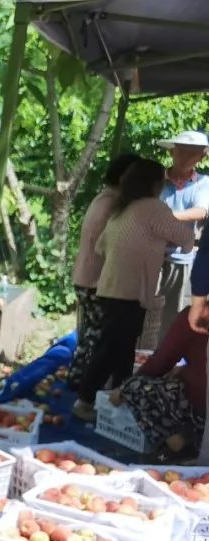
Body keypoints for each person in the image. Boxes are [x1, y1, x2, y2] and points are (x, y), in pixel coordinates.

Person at [73, 158, 195, 421]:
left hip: (110, 288)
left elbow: (101, 246)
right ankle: (84, 400)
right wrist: (164, 247)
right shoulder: (154, 208)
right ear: (154, 184)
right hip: (131, 291)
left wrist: (149, 246)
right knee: (110, 348)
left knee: (122, 346)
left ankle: (122, 395)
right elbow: (185, 238)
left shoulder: (123, 207)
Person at [68, 154, 140, 389]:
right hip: (96, 279)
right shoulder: (114, 204)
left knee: (89, 333)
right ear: (125, 178)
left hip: (85, 275)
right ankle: (86, 384)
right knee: (98, 336)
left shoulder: (103, 197)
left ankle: (78, 378)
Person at [143, 130, 209, 346]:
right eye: (182, 150)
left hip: (181, 258)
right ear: (172, 152)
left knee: (173, 315)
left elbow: (201, 211)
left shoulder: (204, 183)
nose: (186, 156)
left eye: (193, 152)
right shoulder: (155, 180)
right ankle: (142, 352)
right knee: (144, 310)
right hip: (149, 255)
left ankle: (164, 355)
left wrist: (165, 216)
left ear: (202, 156)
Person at [113, 307, 206, 454]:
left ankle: (175, 439)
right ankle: (191, 436)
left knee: (135, 388)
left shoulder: (196, 315)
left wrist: (124, 388)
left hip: (200, 407)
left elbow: (162, 360)